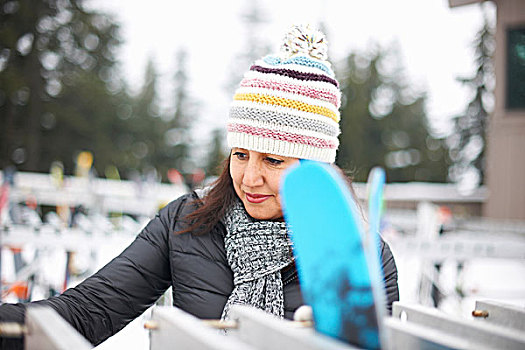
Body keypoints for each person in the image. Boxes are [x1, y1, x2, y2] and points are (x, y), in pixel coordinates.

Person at [0, 24, 398, 348]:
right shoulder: (188, 223)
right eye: (240, 154)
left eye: (273, 160)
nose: (249, 177)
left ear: (315, 167)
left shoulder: (361, 256)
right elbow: (87, 312)